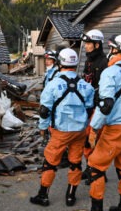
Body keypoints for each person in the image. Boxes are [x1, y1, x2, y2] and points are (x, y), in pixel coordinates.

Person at [30, 48, 95, 207]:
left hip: (60, 130)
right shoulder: (86, 86)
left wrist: (43, 128)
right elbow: (89, 109)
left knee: (50, 163)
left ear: (59, 63)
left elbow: (45, 111)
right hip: (79, 131)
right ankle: (71, 196)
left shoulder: (52, 85)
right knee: (75, 163)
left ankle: (43, 195)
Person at [87, 34, 121, 211]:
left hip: (117, 127)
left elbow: (105, 104)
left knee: (96, 167)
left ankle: (97, 208)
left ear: (114, 49)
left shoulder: (109, 72)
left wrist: (94, 128)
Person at [79, 29, 108, 182]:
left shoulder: (104, 62)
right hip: (87, 106)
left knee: (95, 140)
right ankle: (89, 167)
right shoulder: (88, 60)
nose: (86, 46)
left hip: (97, 107)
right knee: (86, 140)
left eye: (88, 43)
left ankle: (99, 171)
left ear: (97, 44)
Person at [40, 49, 60, 146]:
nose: (47, 62)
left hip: (53, 106)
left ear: (55, 61)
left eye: (50, 60)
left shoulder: (57, 74)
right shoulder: (48, 73)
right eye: (46, 60)